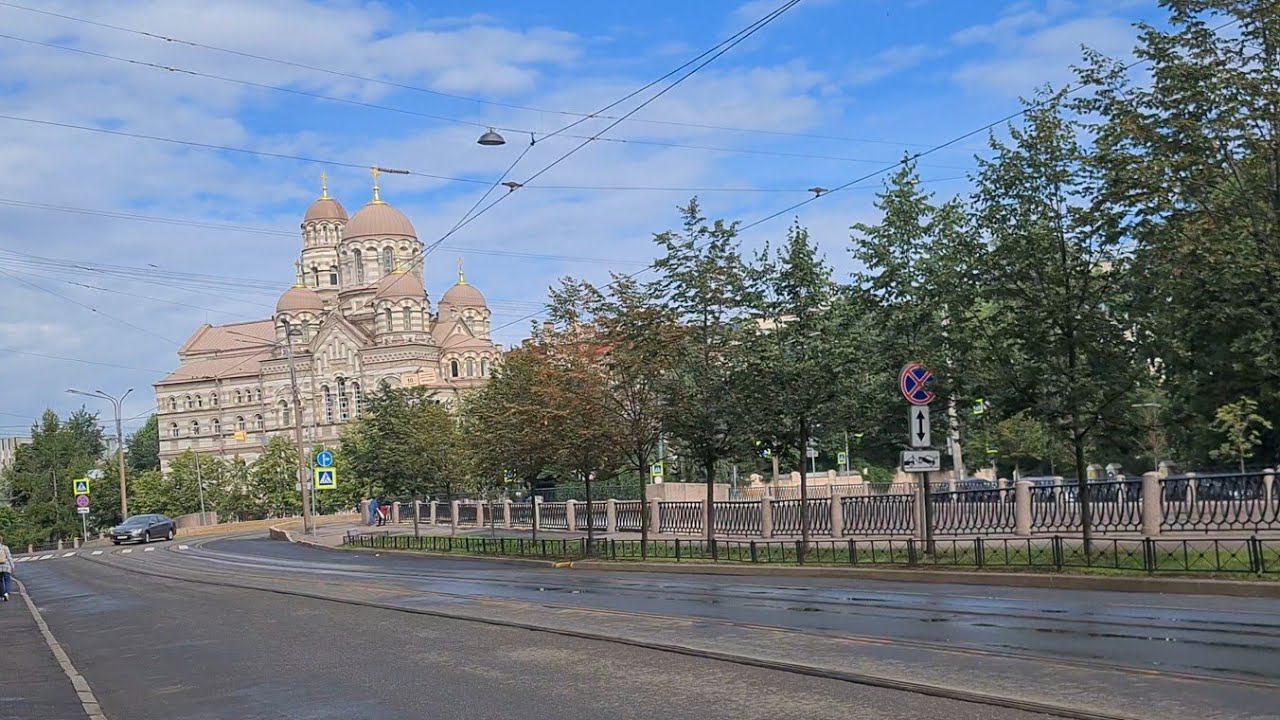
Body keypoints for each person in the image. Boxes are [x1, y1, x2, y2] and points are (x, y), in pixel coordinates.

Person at [0, 534, 14, 602]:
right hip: (6, 566)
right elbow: (9, 557)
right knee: (7, 580)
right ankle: (6, 593)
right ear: (1, 541)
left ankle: (2, 594)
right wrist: (12, 566)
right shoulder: (5, 547)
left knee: (0, 581)